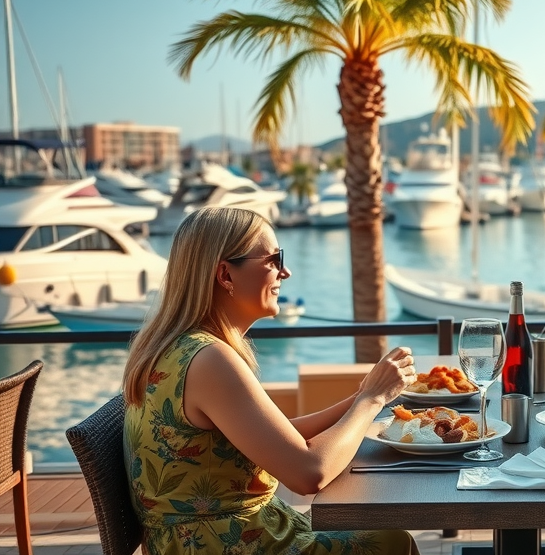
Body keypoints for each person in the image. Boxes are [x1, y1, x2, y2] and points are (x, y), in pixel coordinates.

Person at [121, 207, 420, 555]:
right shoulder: (210, 361)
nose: (285, 272)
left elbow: (277, 437)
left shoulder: (179, 348)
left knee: (377, 528)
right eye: (274, 259)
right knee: (391, 542)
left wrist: (365, 396)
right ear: (225, 275)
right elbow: (310, 474)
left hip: (211, 537)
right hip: (222, 544)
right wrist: (371, 400)